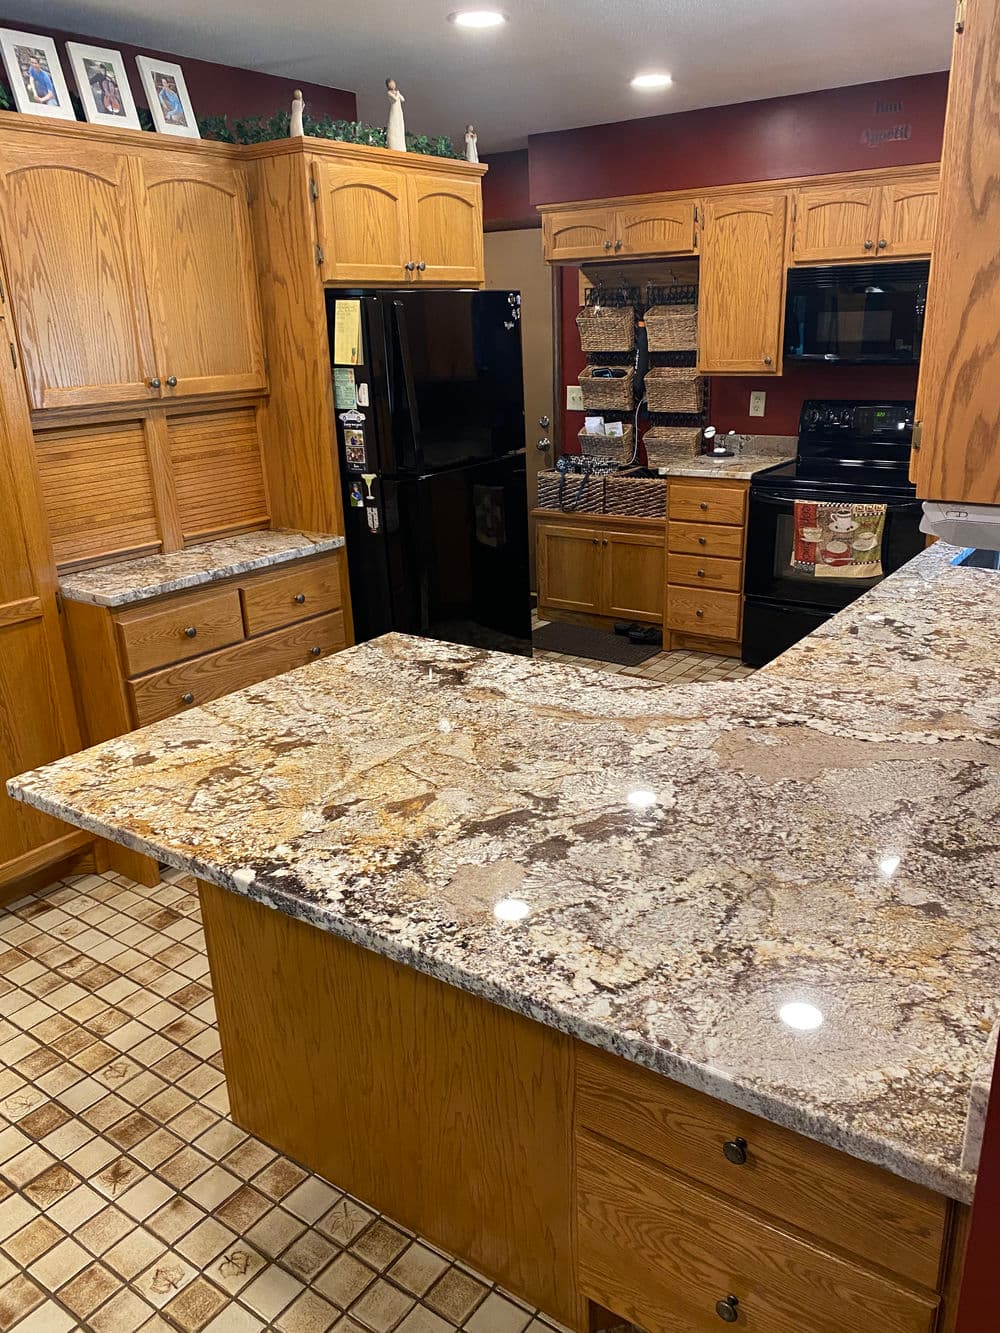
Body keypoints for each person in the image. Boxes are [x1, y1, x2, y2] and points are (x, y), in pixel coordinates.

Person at [386, 78, 406, 152]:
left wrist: (398, 93)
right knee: (394, 124)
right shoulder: (389, 93)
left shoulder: (396, 92)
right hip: (394, 109)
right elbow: (395, 99)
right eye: (391, 84)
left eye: (393, 83)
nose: (393, 85)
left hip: (398, 110)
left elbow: (403, 99)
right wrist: (397, 94)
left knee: (399, 124)